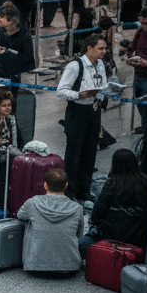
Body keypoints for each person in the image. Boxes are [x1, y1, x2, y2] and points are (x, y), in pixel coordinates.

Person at [56, 33, 109, 202]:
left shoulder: (100, 64)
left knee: (90, 153)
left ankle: (84, 191)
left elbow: (103, 84)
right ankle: (70, 191)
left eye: (105, 48)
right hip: (77, 111)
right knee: (74, 154)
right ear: (89, 48)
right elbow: (61, 90)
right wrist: (80, 95)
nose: (104, 52)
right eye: (101, 48)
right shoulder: (75, 66)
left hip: (94, 112)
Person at [78, 148, 147, 259]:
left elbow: (97, 212)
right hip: (139, 238)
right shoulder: (146, 181)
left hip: (111, 235)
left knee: (83, 242)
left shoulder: (112, 183)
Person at [17, 167, 84, 276]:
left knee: (28, 220)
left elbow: (20, 215)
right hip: (69, 269)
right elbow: (79, 234)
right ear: (66, 186)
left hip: (35, 268)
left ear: (45, 185)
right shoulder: (77, 208)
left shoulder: (32, 203)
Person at [0, 2, 35, 85]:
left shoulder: (24, 36)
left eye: (2, 16)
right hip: (1, 73)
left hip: (18, 74)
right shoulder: (0, 31)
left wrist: (4, 52)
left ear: (12, 19)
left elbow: (27, 60)